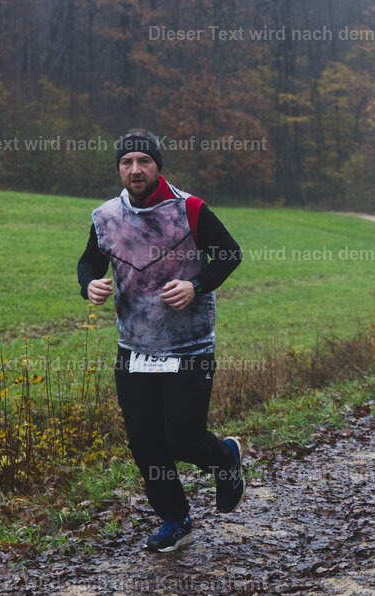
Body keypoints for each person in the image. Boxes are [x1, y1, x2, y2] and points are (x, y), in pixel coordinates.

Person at [77, 129, 245, 553]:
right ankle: (175, 519)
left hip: (189, 346)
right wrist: (88, 286)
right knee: (144, 439)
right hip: (134, 347)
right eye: (127, 161)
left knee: (182, 438)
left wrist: (197, 286)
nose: (135, 169)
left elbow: (229, 253)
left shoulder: (188, 209)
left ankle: (225, 458)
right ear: (119, 168)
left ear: (157, 166)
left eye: (144, 161)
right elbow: (89, 261)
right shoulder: (105, 216)